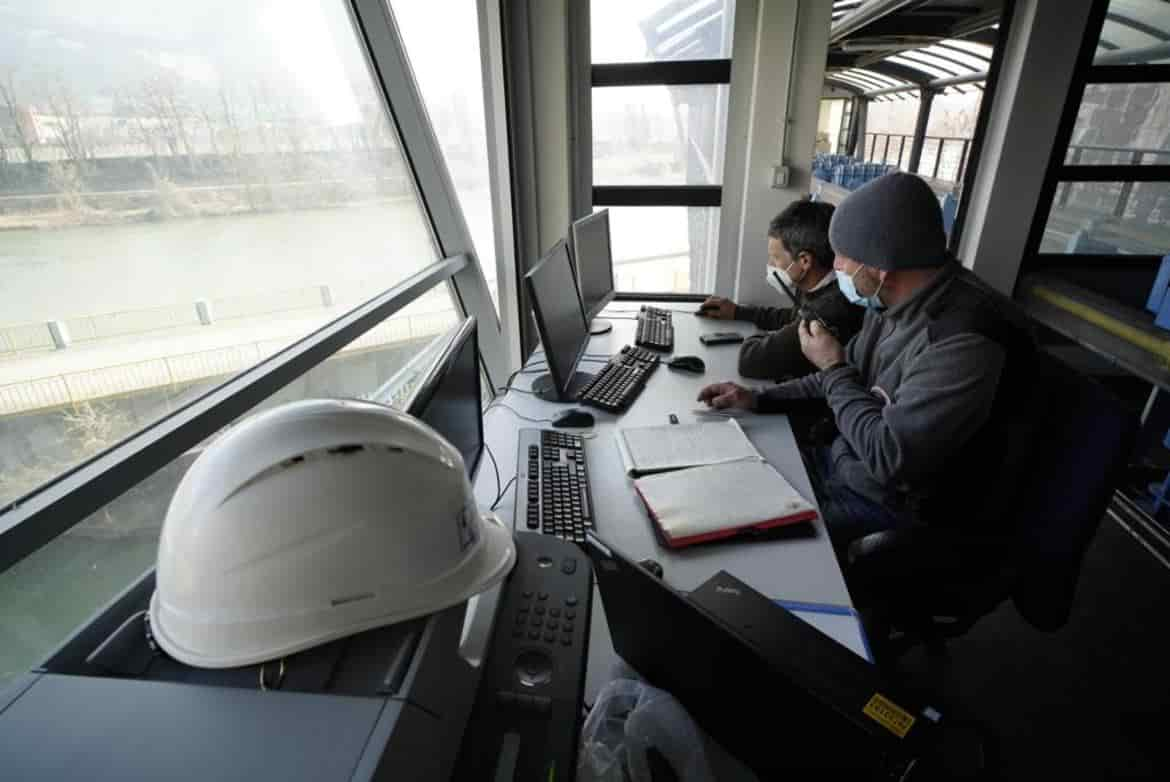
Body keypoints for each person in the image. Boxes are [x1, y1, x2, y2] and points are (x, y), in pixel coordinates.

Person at [697, 173, 1032, 544]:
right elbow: (840, 376)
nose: (835, 266)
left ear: (880, 267)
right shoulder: (888, 298)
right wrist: (757, 399)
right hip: (840, 460)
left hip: (889, 504)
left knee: (730, 528)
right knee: (718, 479)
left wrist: (832, 366)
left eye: (842, 256)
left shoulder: (963, 340)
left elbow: (889, 457)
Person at [698, 199, 863, 381]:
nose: (770, 265)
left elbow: (751, 360)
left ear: (805, 261)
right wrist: (738, 312)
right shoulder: (818, 284)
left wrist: (767, 338)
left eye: (775, 258)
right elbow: (794, 317)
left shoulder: (829, 311)